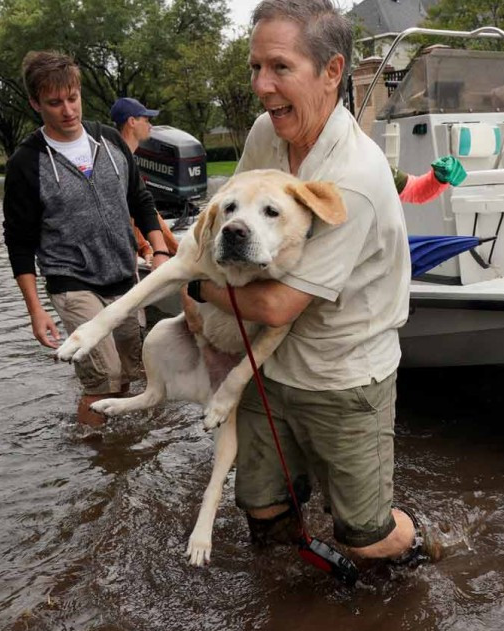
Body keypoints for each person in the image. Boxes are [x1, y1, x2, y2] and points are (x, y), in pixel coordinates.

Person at [188, 0, 438, 565]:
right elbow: (224, 224)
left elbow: (276, 304)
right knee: (262, 509)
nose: (261, 86)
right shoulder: (265, 134)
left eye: (279, 67)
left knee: (367, 537)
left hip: (341, 374)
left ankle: (429, 545)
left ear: (332, 72)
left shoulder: (355, 178)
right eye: (255, 68)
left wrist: (199, 292)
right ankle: (291, 600)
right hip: (265, 364)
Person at [2, 51, 171, 427]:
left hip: (124, 279)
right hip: (71, 282)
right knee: (103, 378)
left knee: (132, 372)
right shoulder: (26, 164)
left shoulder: (108, 141)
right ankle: (91, 460)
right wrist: (35, 310)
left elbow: (140, 200)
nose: (67, 110)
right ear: (35, 103)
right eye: (54, 102)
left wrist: (159, 251)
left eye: (72, 98)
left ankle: (124, 456)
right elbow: (18, 243)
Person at [109, 97, 181, 261]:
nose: (151, 126)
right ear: (132, 121)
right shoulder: (117, 162)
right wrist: (149, 248)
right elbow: (127, 211)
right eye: (146, 120)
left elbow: (143, 210)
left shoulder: (125, 158)